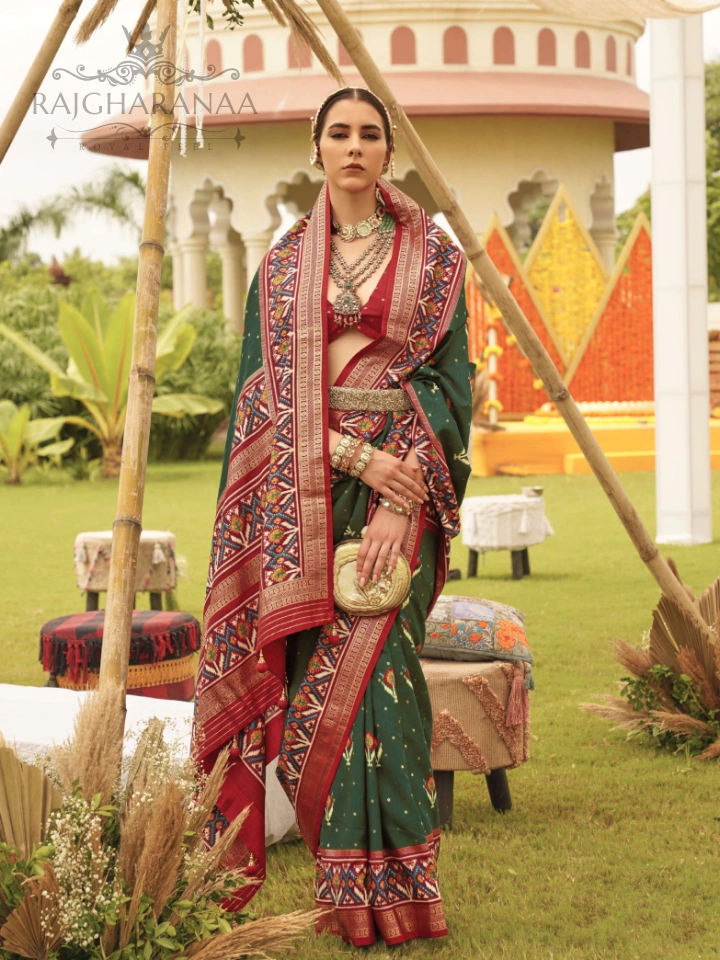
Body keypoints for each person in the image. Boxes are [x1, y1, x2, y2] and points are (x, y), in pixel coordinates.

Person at [191, 86, 475, 947]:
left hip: (405, 495)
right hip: (304, 508)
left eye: (370, 134)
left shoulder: (435, 258)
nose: (354, 147)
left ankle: (405, 891)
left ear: (390, 152)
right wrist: (358, 459)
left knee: (386, 680)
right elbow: (264, 404)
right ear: (315, 148)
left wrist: (398, 492)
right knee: (320, 691)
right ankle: (346, 894)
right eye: (339, 133)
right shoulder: (282, 269)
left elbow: (452, 387)